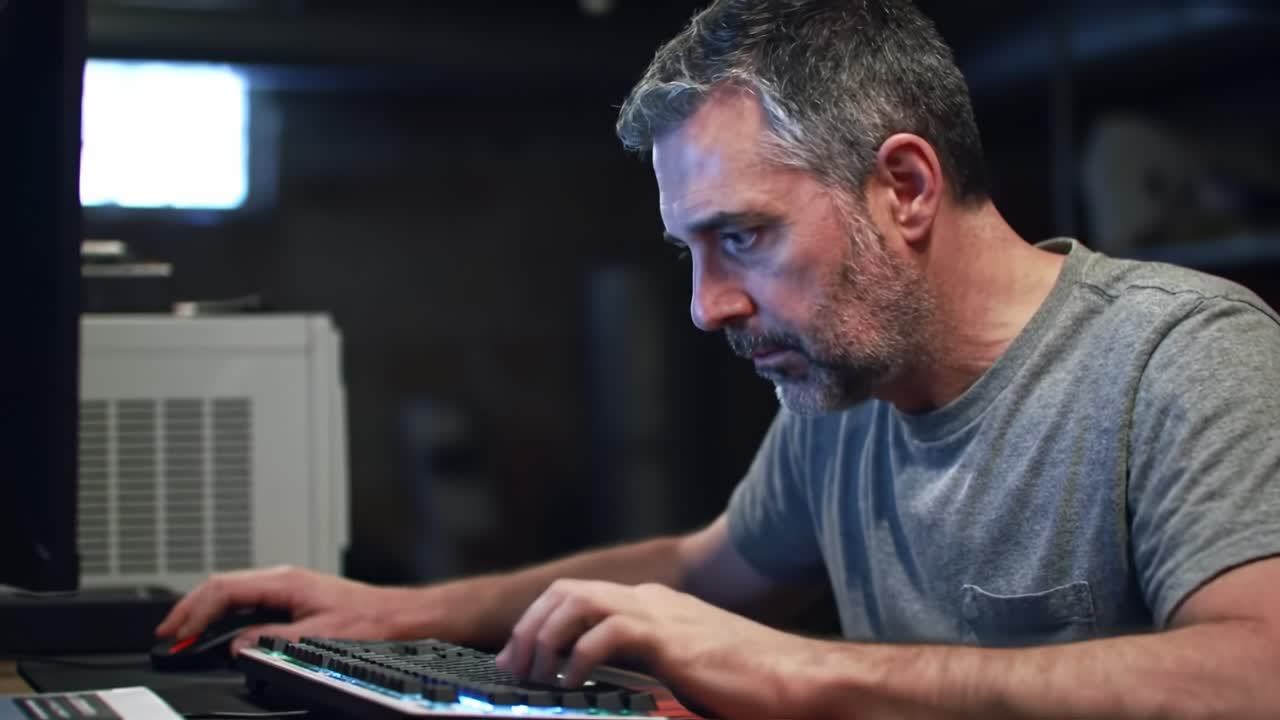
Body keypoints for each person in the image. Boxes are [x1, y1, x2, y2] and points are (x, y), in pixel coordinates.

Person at [158, 1, 1280, 717]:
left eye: (741, 236)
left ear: (902, 189)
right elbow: (701, 572)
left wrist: (802, 671)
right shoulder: (841, 394)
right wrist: (396, 615)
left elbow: (1256, 673)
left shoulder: (1175, 360)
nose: (707, 306)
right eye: (689, 251)